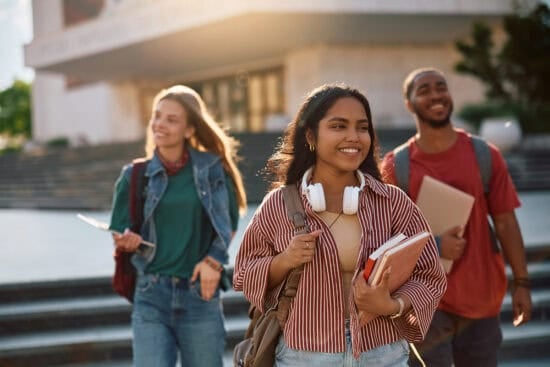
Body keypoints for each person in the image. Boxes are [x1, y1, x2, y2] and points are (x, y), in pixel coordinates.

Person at [233, 83, 446, 367]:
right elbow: (244, 274)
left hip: (382, 353)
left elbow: (430, 275)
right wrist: (284, 260)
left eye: (362, 127)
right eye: (338, 126)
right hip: (304, 355)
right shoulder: (278, 205)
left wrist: (391, 306)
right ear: (310, 135)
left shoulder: (393, 202)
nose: (353, 137)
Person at [381, 67, 533, 367]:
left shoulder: (485, 155)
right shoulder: (397, 166)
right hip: (424, 299)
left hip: (481, 295)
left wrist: (522, 283)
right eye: (423, 90)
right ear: (409, 104)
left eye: (441, 87)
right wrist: (435, 246)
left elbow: (505, 222)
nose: (435, 94)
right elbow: (386, 237)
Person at [109, 85, 247, 367]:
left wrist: (213, 261)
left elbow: (228, 223)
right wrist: (125, 240)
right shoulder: (134, 175)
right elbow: (118, 230)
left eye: (171, 119)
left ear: (189, 130)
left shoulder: (212, 169)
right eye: (157, 116)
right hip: (150, 294)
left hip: (199, 294)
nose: (160, 124)